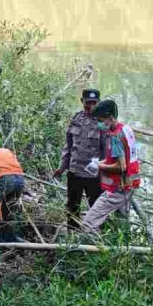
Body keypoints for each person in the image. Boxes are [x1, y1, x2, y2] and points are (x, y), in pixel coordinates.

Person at [81, 99, 141, 235]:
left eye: (101, 120)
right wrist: (101, 162)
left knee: (88, 224)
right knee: (122, 227)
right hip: (129, 185)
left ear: (110, 117)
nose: (99, 124)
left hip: (117, 189)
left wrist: (100, 167)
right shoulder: (126, 129)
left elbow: (121, 167)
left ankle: (93, 252)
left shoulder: (115, 137)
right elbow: (125, 158)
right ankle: (123, 252)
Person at [53, 88, 106, 230]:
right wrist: (62, 166)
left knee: (96, 207)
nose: (91, 106)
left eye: (95, 103)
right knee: (72, 206)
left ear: (99, 103)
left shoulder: (102, 123)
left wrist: (105, 172)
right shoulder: (76, 119)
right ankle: (72, 236)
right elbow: (68, 146)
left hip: (93, 175)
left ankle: (99, 238)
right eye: (88, 103)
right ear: (82, 101)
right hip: (75, 171)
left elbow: (105, 151)